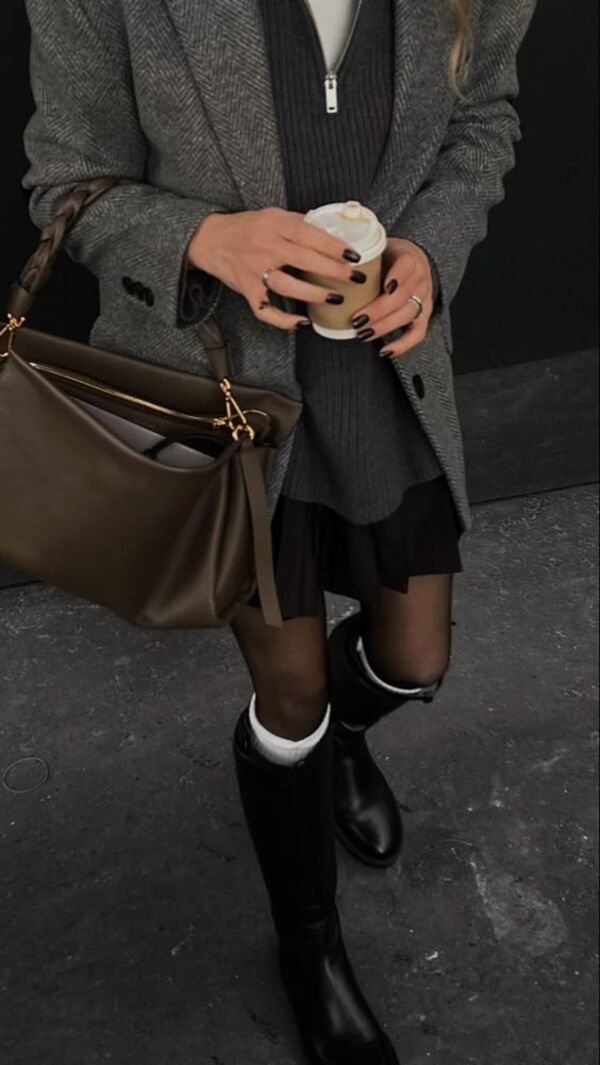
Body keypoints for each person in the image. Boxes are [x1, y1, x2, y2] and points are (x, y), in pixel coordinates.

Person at [21, 1, 537, 1061]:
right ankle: (310, 946)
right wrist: (203, 237)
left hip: (385, 381)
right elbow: (66, 178)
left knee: (415, 657)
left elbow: (483, 117)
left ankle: (345, 742)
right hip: (229, 397)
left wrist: (431, 250)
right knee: (291, 692)